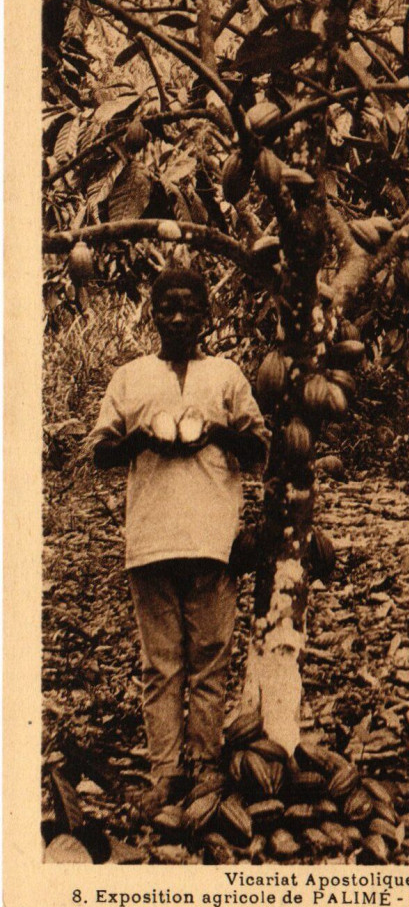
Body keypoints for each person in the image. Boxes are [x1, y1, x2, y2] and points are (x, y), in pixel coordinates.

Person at [89, 266, 269, 819]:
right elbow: (98, 452)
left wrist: (216, 431)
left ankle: (207, 764)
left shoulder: (227, 376)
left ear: (204, 315)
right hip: (151, 539)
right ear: (153, 313)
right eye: (166, 307)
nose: (177, 318)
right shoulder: (131, 377)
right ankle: (165, 772)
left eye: (188, 308)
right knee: (161, 662)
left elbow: (260, 447)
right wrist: (138, 438)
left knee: (210, 659)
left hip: (213, 537)